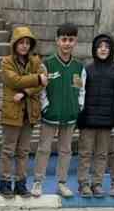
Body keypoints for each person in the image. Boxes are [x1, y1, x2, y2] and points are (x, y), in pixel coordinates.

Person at [76, 32, 114, 199]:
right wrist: (79, 118)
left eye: (107, 47)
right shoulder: (86, 69)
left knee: (101, 154)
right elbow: (79, 94)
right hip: (88, 120)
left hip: (107, 122)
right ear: (94, 49)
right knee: (85, 153)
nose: (103, 49)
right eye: (100, 46)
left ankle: (97, 183)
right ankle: (83, 183)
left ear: (111, 49)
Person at [33, 23, 83, 198]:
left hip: (69, 116)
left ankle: (62, 183)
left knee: (65, 150)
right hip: (50, 115)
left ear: (75, 41)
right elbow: (41, 90)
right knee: (44, 149)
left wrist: (78, 107)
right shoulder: (47, 64)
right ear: (57, 40)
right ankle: (38, 182)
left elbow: (80, 90)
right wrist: (46, 107)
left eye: (70, 39)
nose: (67, 43)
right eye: (64, 39)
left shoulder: (79, 66)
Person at [0, 27, 44, 198]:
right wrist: (37, 78)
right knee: (8, 150)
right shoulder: (6, 61)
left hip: (29, 112)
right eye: (21, 42)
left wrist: (26, 92)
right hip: (12, 112)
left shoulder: (35, 61)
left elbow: (41, 84)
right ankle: (4, 183)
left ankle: (20, 183)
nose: (24, 46)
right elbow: (14, 80)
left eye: (27, 43)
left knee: (23, 151)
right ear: (15, 44)